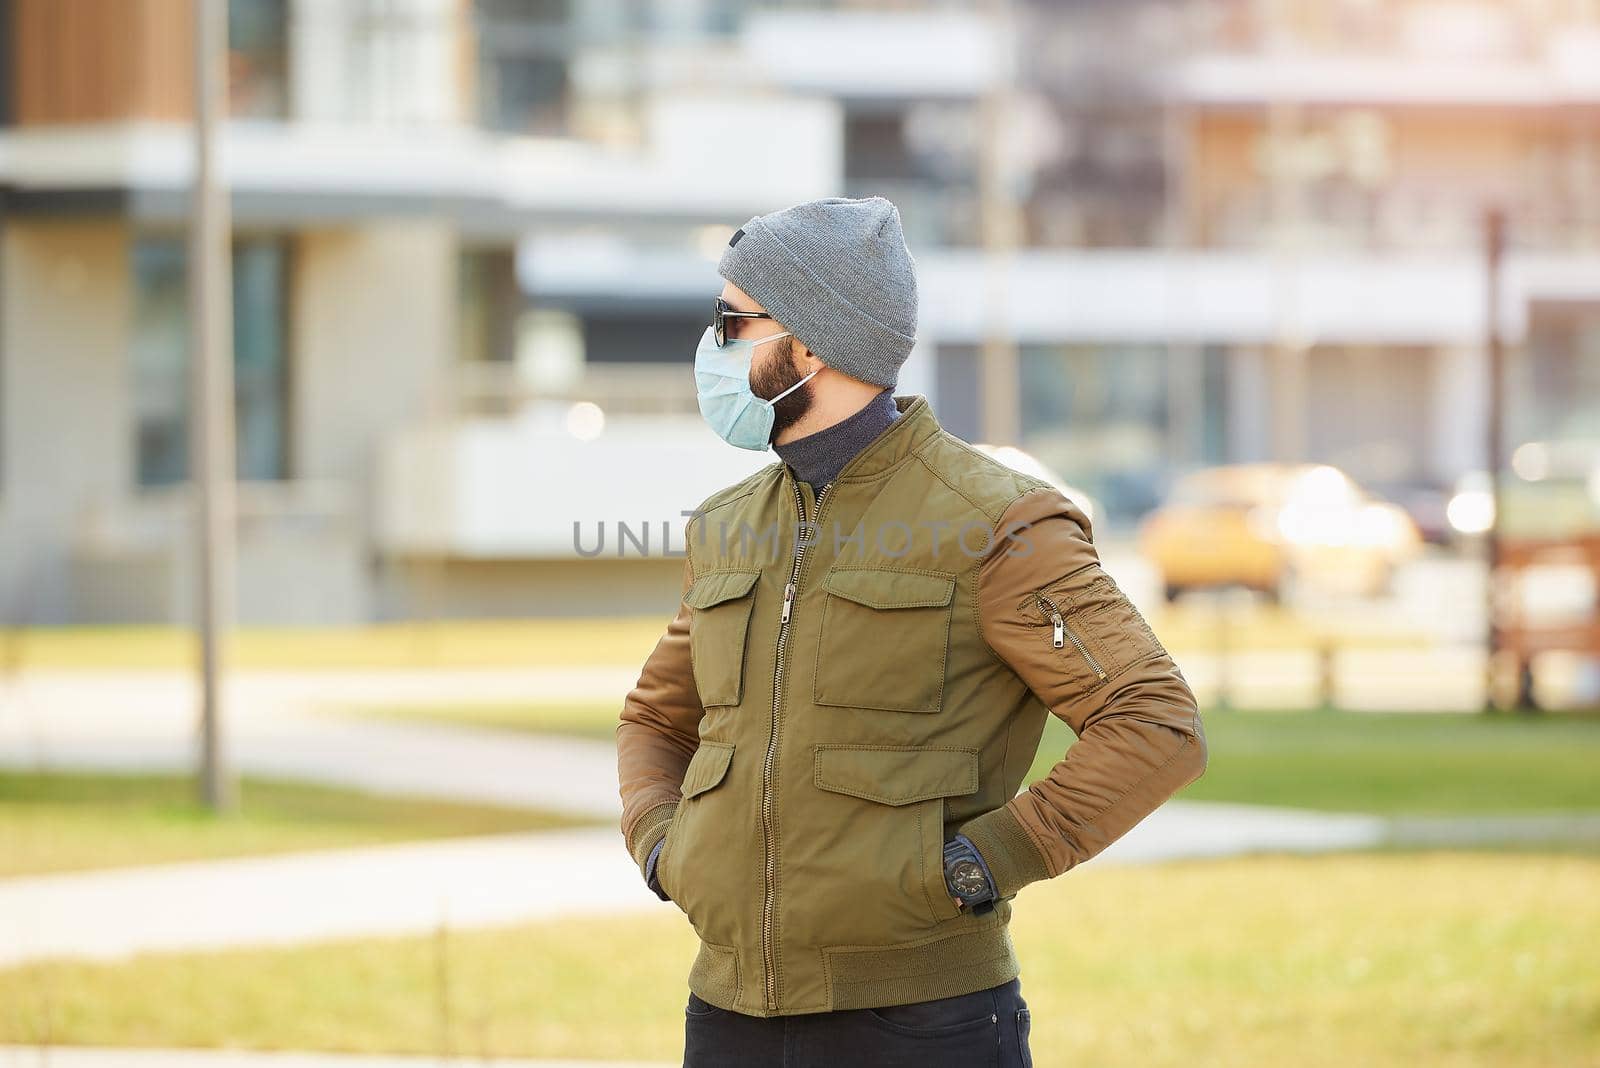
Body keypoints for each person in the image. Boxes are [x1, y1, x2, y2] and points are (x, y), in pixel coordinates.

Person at [615, 195, 1208, 1068]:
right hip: (728, 1014)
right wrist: (665, 848)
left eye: (732, 322)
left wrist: (983, 864)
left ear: (811, 345)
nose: (714, 349)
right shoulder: (725, 526)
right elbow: (656, 721)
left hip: (921, 1023)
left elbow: (1155, 722)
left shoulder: (995, 522)